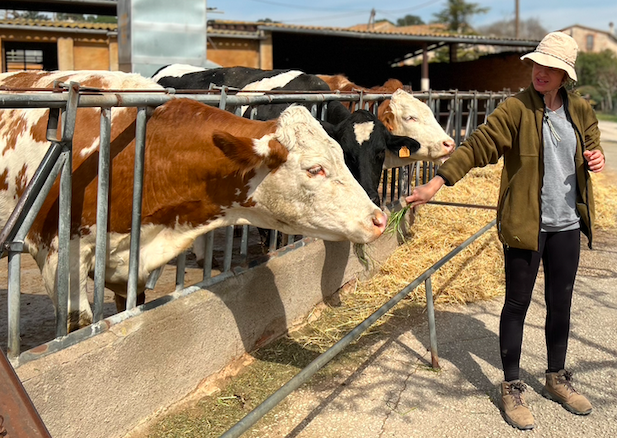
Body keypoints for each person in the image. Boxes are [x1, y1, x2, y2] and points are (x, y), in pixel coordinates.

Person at [406, 31, 605, 430]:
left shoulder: (580, 110)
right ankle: (512, 386)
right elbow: (477, 145)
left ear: (565, 75)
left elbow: (592, 144)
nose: (540, 72)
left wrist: (595, 157)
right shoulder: (514, 109)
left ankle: (556, 378)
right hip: (525, 224)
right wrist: (438, 181)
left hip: (567, 223)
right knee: (517, 304)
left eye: (550, 68)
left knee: (561, 304)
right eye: (537, 64)